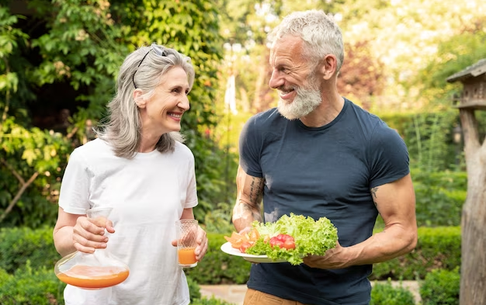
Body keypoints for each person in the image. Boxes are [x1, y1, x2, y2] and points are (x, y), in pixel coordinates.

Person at [232, 10, 417, 305]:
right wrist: (256, 236)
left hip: (341, 298)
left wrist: (345, 257)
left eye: (285, 69)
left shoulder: (377, 140)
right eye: (273, 69)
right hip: (267, 293)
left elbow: (404, 232)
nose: (273, 81)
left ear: (327, 66)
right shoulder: (259, 130)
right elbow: (245, 203)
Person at [53, 43, 208, 305]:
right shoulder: (87, 159)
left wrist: (196, 237)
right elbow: (62, 235)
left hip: (165, 299)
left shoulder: (183, 158)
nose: (185, 103)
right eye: (175, 91)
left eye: (186, 92)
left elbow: (186, 225)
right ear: (140, 96)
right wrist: (78, 235)